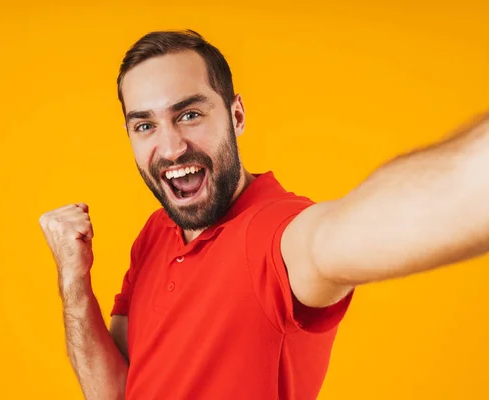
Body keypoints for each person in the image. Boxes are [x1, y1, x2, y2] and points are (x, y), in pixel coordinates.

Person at [39, 29, 489, 400]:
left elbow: (348, 231)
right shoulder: (157, 232)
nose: (171, 146)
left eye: (190, 113)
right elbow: (114, 393)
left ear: (236, 116)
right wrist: (73, 282)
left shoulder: (276, 233)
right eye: (145, 125)